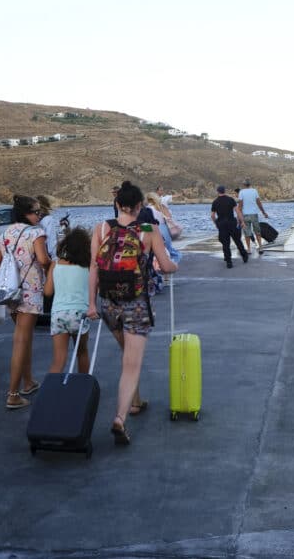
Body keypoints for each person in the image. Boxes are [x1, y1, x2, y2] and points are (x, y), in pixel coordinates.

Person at [88, 180, 177, 446]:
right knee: (132, 364)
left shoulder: (101, 228)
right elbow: (165, 265)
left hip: (108, 303)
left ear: (117, 204)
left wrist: (91, 304)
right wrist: (174, 266)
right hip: (136, 303)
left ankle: (135, 402)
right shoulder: (149, 230)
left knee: (125, 353)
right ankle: (120, 418)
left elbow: (94, 268)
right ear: (140, 206)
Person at [0, 195, 50, 410]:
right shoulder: (36, 233)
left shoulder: (6, 232)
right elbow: (43, 260)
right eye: (36, 212)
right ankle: (13, 394)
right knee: (21, 340)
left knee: (24, 338)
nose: (39, 215)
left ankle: (28, 381)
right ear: (25, 214)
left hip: (12, 292)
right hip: (30, 291)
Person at [43, 227, 91, 375]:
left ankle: (50, 393)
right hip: (79, 314)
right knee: (81, 352)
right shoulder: (88, 266)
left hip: (58, 314)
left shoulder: (55, 264)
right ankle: (82, 387)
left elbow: (48, 291)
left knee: (59, 359)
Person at [211, 184, 248, 268]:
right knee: (237, 241)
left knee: (225, 244)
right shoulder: (231, 199)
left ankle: (229, 262)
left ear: (218, 192)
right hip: (232, 223)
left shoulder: (215, 202)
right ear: (225, 191)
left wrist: (216, 223)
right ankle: (244, 256)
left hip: (222, 224)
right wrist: (242, 221)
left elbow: (212, 215)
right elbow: (237, 211)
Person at [237, 178, 270, 255]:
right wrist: (264, 212)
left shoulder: (241, 192)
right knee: (257, 231)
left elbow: (240, 205)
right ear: (250, 184)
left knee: (247, 233)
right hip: (254, 214)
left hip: (245, 215)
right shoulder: (254, 191)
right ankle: (260, 248)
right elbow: (259, 203)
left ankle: (248, 250)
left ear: (244, 185)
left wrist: (239, 216)